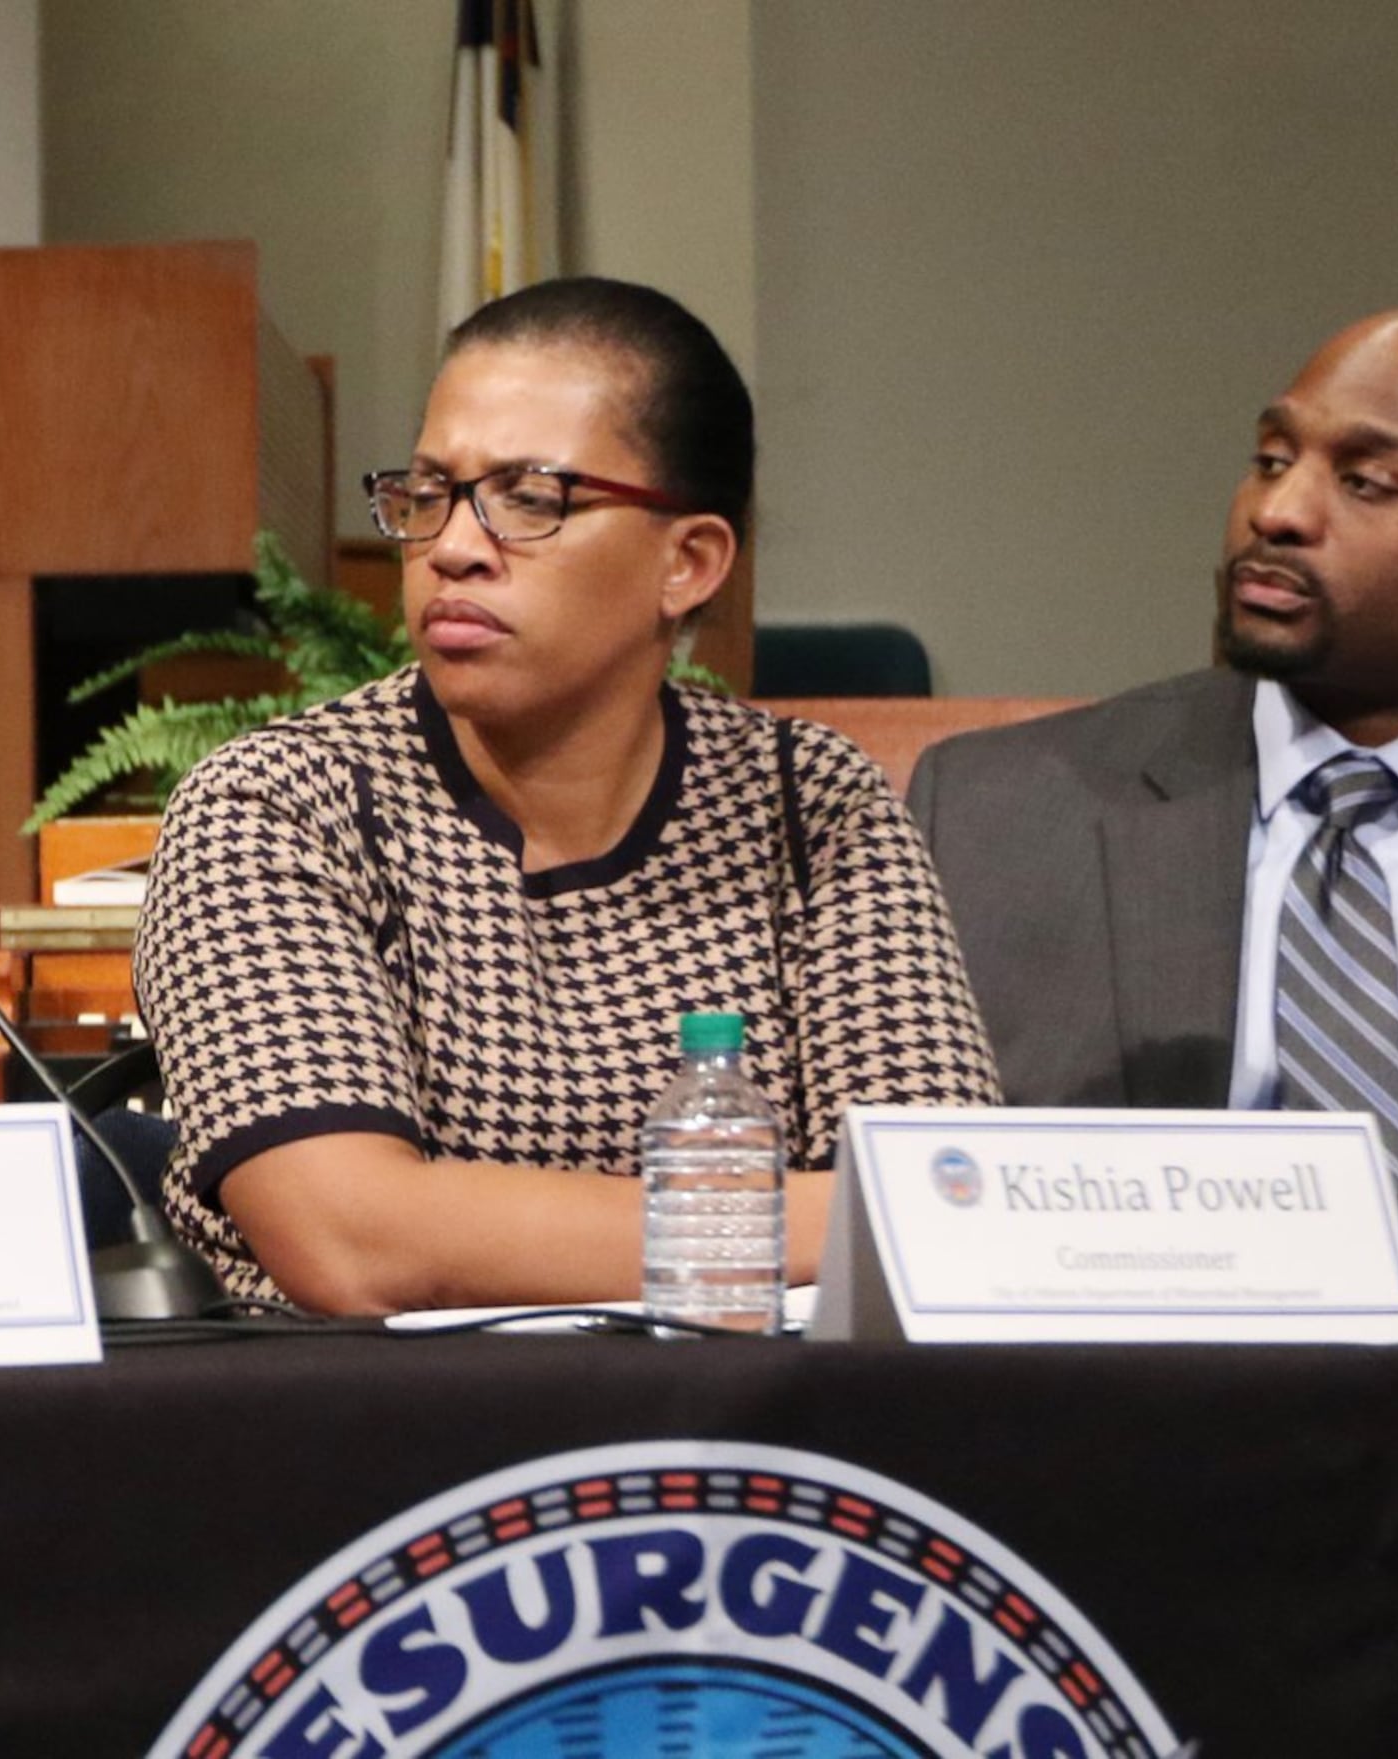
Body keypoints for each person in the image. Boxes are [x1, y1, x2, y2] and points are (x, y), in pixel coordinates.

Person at [134, 277, 1000, 1316]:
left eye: (530, 499)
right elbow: (351, 1240)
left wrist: (465, 1223)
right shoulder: (281, 806)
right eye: (427, 493)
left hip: (754, 1438)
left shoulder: (810, 806)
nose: (452, 547)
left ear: (688, 562)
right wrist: (803, 1222)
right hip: (378, 1443)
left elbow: (945, 1211)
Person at [914, 309, 1398, 1235]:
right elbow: (941, 1167)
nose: (1276, 513)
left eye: (1365, 483)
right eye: (1274, 459)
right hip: (1131, 1360)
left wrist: (1312, 1237)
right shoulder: (1006, 809)